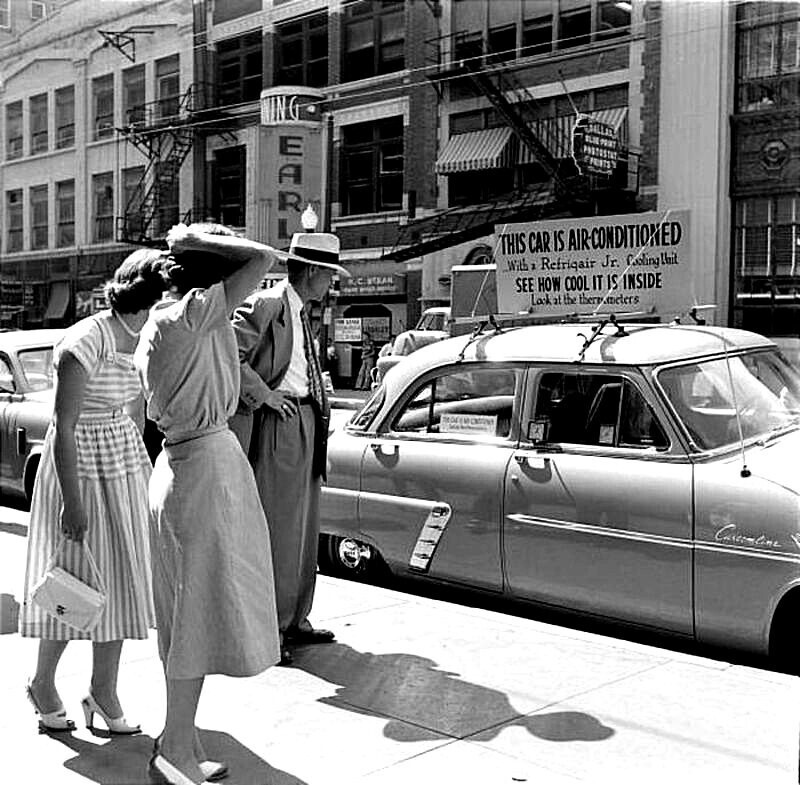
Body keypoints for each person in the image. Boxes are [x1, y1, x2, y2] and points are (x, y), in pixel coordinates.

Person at [135, 223, 281, 785]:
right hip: (203, 470)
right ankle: (175, 747)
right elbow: (264, 257)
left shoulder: (164, 322)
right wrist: (202, 236)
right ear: (209, 281)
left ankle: (181, 739)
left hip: (181, 464)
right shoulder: (193, 315)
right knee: (195, 612)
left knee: (181, 614)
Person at [19, 249, 164, 735]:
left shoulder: (142, 335)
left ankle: (103, 690)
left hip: (121, 463)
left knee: (122, 580)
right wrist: (73, 503)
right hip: (80, 466)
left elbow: (138, 411)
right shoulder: (86, 339)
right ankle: (42, 683)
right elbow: (63, 426)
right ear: (148, 297)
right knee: (74, 580)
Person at [229, 231, 349, 666]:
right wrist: (264, 395)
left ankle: (295, 619)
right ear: (314, 271)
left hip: (304, 422)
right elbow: (229, 352)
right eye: (329, 275)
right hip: (280, 424)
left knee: (302, 530)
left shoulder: (300, 312)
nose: (331, 285)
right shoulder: (270, 304)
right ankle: (272, 627)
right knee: (280, 530)